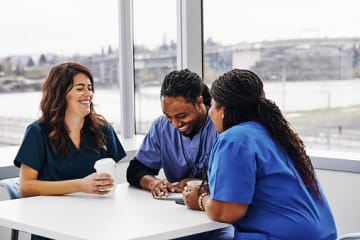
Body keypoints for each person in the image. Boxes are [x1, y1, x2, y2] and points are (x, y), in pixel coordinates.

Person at [182, 69, 338, 240]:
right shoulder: (276, 133)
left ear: (223, 111)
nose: (210, 112)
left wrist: (200, 199)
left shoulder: (233, 139)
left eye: (211, 105)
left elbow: (227, 212)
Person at [14, 62, 126, 240]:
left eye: (90, 88)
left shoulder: (104, 131)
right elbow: (26, 187)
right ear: (60, 93)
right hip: (50, 227)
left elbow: (113, 181)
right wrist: (80, 185)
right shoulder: (37, 132)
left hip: (96, 224)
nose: (88, 94)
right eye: (80, 88)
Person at [126, 69, 234, 240]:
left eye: (181, 116)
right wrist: (153, 183)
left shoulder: (220, 124)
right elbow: (135, 169)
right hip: (178, 221)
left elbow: (235, 181)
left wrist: (202, 187)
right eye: (168, 116)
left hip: (216, 219)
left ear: (199, 102)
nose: (175, 124)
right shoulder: (161, 127)